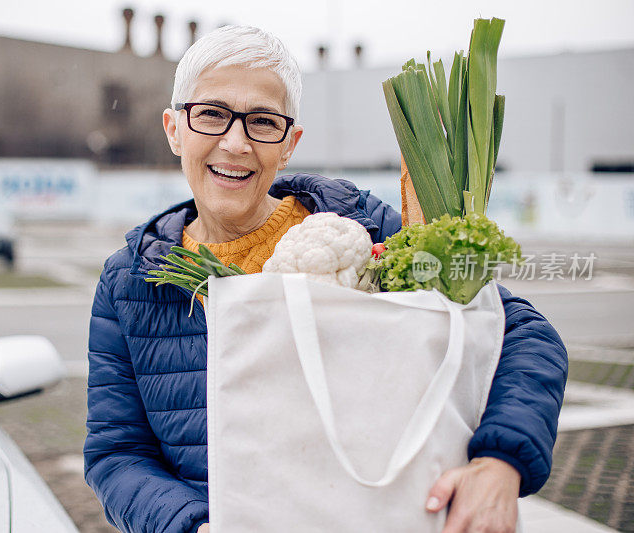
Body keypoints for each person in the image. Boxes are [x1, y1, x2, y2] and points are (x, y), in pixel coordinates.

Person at [83, 25, 568, 533]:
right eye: (211, 114)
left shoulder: (363, 229)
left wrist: (499, 464)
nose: (235, 143)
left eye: (263, 122)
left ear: (290, 143)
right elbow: (117, 453)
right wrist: (190, 526)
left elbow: (522, 334)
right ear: (173, 128)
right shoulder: (130, 280)